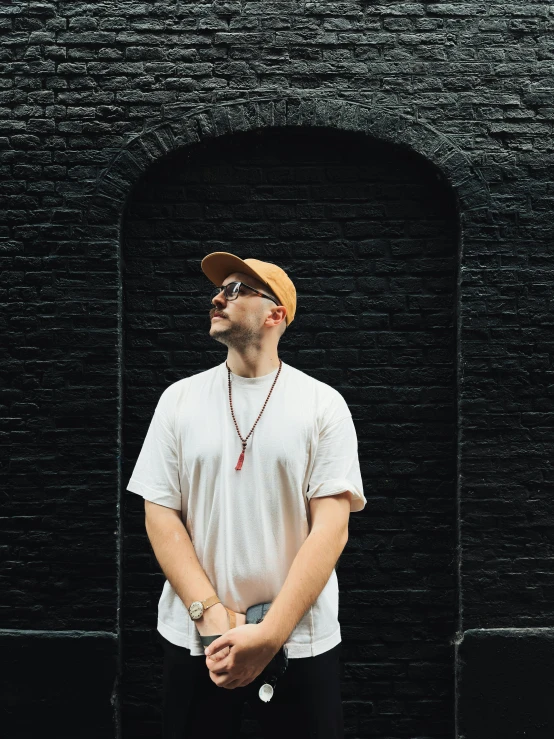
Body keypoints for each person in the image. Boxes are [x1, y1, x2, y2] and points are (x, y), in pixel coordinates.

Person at [126, 251, 366, 738]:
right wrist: (210, 614)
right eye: (219, 290)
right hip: (199, 640)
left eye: (237, 290)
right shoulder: (179, 399)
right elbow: (160, 513)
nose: (218, 297)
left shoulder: (323, 404)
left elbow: (332, 528)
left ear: (275, 313)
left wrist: (269, 634)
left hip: (300, 640)